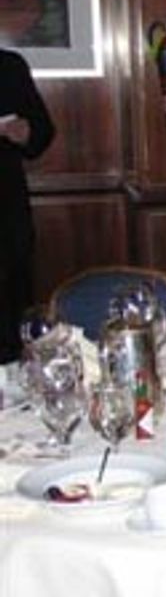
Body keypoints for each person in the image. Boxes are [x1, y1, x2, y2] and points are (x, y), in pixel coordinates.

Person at [0, 49, 55, 363]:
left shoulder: (9, 66)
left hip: (6, 211)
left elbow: (43, 131)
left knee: (13, 310)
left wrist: (27, 133)